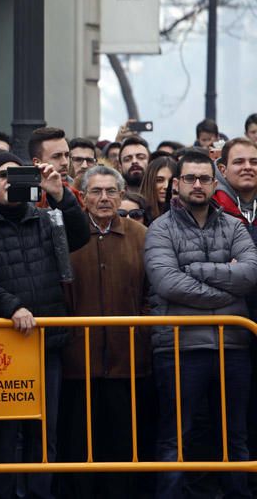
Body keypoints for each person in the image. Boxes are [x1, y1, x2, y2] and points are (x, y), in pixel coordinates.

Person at [0, 151, 90, 499]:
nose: (10, 183)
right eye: (2, 176)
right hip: (1, 344)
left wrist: (59, 193)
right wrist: (12, 307)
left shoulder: (44, 218)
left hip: (45, 341)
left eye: (17, 176)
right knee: (4, 436)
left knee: (44, 432)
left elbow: (79, 237)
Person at [145, 152, 257, 499]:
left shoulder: (234, 226)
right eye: (190, 178)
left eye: (204, 179)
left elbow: (251, 274)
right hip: (180, 347)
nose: (198, 185)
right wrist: (228, 292)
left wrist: (195, 270)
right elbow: (167, 283)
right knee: (177, 437)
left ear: (214, 182)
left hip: (233, 346)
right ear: (176, 184)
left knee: (234, 437)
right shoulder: (160, 228)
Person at [60, 166, 150, 499]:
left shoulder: (140, 234)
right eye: (96, 191)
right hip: (76, 361)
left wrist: (142, 331)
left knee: (124, 444)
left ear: (121, 194)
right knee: (79, 444)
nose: (104, 198)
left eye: (111, 191)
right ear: (82, 197)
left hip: (129, 359)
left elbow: (151, 293)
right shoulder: (67, 234)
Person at [29, 126, 84, 208]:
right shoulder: (26, 195)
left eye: (67, 155)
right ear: (37, 162)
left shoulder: (81, 190)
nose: (65, 162)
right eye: (56, 156)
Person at [141, 156, 178, 222]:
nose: (166, 186)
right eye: (159, 180)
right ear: (149, 182)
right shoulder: (137, 213)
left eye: (171, 181)